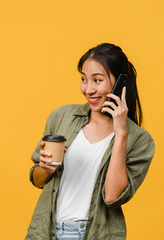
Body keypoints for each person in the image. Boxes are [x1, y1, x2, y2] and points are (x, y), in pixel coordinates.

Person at [25, 43, 155, 240]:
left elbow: (112, 197)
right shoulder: (61, 117)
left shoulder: (140, 140)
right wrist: (46, 168)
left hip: (96, 234)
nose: (88, 89)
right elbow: (37, 179)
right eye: (84, 79)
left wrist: (120, 133)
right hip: (46, 231)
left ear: (121, 82)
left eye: (97, 80)